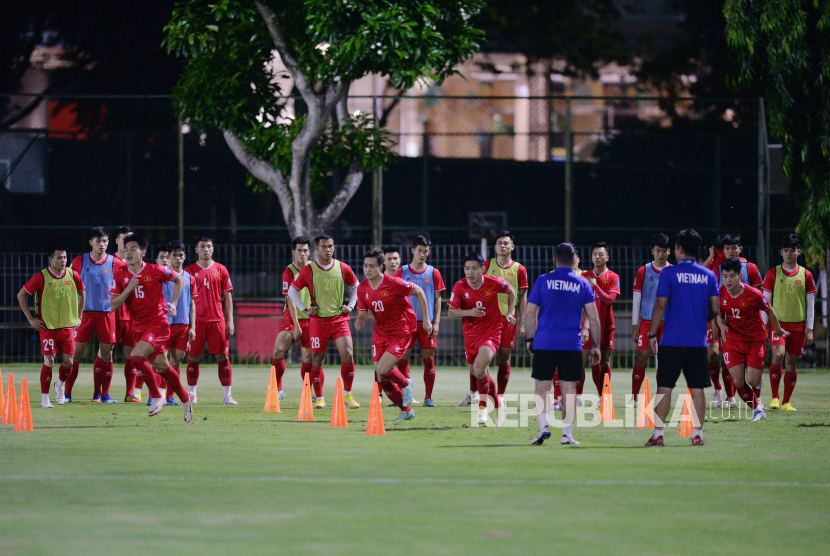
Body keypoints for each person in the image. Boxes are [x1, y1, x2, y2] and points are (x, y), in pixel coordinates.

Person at [646, 229, 718, 446]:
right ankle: (698, 434)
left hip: (671, 341)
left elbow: (660, 305)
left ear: (678, 249)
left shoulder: (669, 274)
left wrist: (651, 334)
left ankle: (658, 435)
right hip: (697, 342)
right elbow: (716, 308)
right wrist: (699, 319)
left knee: (664, 388)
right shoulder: (708, 275)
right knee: (697, 389)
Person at [110, 233, 193, 421]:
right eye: (127, 248)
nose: (129, 252)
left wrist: (173, 303)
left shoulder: (156, 270)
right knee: (163, 367)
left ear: (143, 252)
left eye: (133, 248)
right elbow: (114, 305)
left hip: (159, 324)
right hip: (140, 328)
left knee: (136, 356)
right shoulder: (121, 275)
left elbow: (179, 279)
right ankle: (186, 399)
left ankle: (157, 396)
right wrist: (129, 288)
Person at [524, 242, 601, 446]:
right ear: (575, 260)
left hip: (545, 342)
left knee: (542, 388)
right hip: (571, 345)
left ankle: (543, 428)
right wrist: (596, 346)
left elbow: (529, 313)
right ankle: (567, 435)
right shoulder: (582, 284)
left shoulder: (543, 281)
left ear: (554, 259)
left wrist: (529, 338)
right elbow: (594, 319)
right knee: (568, 389)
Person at [355, 248, 432, 421]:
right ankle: (406, 410)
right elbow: (363, 314)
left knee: (383, 369)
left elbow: (419, 292)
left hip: (401, 332)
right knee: (381, 377)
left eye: (372, 266)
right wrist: (359, 321)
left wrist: (426, 319)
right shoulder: (362, 288)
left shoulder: (394, 283)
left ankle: (405, 383)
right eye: (365, 266)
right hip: (380, 333)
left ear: (381, 267)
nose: (367, 270)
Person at [287, 234, 360, 409]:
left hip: (339, 320)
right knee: (317, 358)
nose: (328, 249)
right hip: (318, 322)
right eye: (324, 246)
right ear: (317, 249)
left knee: (348, 354)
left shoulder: (342, 267)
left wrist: (351, 305)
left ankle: (348, 395)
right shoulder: (309, 270)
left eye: (331, 246)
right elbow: (291, 291)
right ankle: (319, 397)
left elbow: (357, 285)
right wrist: (304, 309)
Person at [713, 257, 789, 421]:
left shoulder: (753, 294)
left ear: (740, 276)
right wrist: (722, 325)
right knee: (739, 381)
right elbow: (718, 314)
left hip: (755, 340)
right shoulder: (720, 294)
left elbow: (769, 311)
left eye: (732, 276)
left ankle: (758, 379)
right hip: (732, 340)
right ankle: (757, 410)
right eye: (725, 276)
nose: (728, 280)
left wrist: (778, 330)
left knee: (752, 381)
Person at [447, 252, 516, 425]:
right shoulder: (460, 287)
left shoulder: (493, 282)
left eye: (474, 268)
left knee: (478, 369)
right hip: (470, 336)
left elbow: (511, 290)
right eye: (467, 268)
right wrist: (468, 312)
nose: (470, 272)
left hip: (491, 332)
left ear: (482, 269)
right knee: (479, 372)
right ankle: (498, 403)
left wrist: (509, 312)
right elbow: (451, 312)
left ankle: (483, 409)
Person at [17, 245, 86, 408]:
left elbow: (82, 292)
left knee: (69, 363)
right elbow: (21, 295)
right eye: (59, 258)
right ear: (50, 259)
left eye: (65, 257)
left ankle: (59, 385)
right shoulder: (41, 277)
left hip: (68, 326)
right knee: (49, 360)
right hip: (47, 326)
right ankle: (44, 399)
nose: (63, 261)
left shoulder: (72, 275)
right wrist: (30, 319)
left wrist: (80, 315)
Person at [708, 234, 763, 408]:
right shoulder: (718, 269)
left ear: (740, 248)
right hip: (724, 321)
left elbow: (760, 297)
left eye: (734, 248)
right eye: (727, 248)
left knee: (751, 366)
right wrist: (716, 323)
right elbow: (713, 296)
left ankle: (757, 397)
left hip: (748, 324)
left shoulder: (750, 268)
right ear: (722, 250)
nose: (731, 251)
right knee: (722, 356)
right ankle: (728, 396)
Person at [763, 233, 816, 412]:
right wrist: (764, 325)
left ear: (798, 252)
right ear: (781, 252)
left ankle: (786, 402)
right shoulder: (773, 274)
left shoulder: (806, 275)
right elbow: (765, 302)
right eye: (786, 250)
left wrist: (810, 329)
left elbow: (810, 303)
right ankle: (775, 398)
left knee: (791, 363)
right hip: (779, 325)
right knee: (778, 355)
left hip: (799, 326)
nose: (789, 253)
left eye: (792, 250)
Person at [69, 227, 123, 403]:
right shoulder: (79, 262)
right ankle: (67, 393)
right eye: (99, 241)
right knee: (75, 355)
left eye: (105, 241)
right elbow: (68, 285)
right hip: (84, 314)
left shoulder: (116, 263)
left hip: (107, 314)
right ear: (91, 242)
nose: (102, 244)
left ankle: (104, 395)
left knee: (107, 354)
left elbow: (130, 277)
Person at [185, 236, 236, 405]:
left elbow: (227, 297)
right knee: (194, 357)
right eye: (202, 246)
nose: (206, 249)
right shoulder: (189, 271)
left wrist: (230, 321)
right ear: (196, 250)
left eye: (209, 246)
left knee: (223, 357)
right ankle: (192, 395)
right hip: (197, 321)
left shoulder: (221, 269)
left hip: (217, 320)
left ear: (213, 249)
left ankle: (227, 396)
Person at [396, 236, 445, 407]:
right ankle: (404, 395)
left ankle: (428, 398)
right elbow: (396, 296)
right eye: (419, 250)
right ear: (412, 251)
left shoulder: (433, 272)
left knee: (428, 360)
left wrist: (436, 322)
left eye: (426, 251)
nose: (423, 254)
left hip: (427, 323)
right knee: (402, 359)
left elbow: (438, 299)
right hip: (406, 323)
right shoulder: (402, 271)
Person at [271, 237, 320, 404]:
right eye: (299, 250)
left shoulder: (315, 269)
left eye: (306, 250)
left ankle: (308, 392)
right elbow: (290, 300)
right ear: (293, 252)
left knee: (308, 358)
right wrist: (296, 326)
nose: (303, 253)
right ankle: (278, 390)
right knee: (278, 349)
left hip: (312, 319)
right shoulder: (289, 271)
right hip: (292, 318)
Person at [483, 230, 529, 402]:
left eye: (506, 243)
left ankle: (499, 396)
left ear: (512, 247)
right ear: (495, 246)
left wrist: (523, 322)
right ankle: (481, 393)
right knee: (483, 357)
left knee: (504, 356)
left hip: (509, 319)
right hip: (488, 319)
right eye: (500, 243)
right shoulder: (487, 265)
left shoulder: (519, 269)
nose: (503, 246)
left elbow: (523, 296)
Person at [629, 233, 671, 404]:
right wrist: (634, 325)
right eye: (657, 251)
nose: (660, 254)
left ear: (669, 251)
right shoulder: (643, 271)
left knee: (665, 362)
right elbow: (637, 299)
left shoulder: (673, 271)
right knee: (642, 357)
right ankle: (634, 397)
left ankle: (661, 397)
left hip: (667, 323)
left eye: (664, 251)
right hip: (647, 322)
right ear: (652, 251)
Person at [157, 241, 197, 406]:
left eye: (181, 255)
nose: (178, 258)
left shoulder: (189, 277)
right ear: (169, 257)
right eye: (175, 255)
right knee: (162, 361)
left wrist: (193, 327)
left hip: (182, 325)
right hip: (164, 324)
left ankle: (170, 397)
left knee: (177, 361)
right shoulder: (162, 275)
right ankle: (158, 395)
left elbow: (192, 303)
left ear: (185, 257)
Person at [109, 225, 143, 403]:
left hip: (132, 316)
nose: (127, 243)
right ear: (117, 241)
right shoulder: (109, 261)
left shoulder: (138, 265)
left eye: (131, 240)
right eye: (124, 239)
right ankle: (100, 394)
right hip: (111, 313)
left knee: (131, 354)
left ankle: (130, 393)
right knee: (106, 352)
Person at [552, 254, 590, 411]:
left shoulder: (585, 278)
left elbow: (589, 307)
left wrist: (586, 327)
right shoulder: (553, 277)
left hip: (577, 325)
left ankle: (576, 397)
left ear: (578, 259)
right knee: (557, 364)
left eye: (573, 258)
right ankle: (557, 399)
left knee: (578, 364)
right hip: (558, 326)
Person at [582, 242, 620, 396]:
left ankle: (603, 396)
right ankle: (577, 397)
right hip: (587, 327)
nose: (597, 257)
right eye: (595, 254)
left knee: (603, 362)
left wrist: (595, 286)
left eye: (601, 254)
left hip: (606, 326)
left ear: (607, 257)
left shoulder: (613, 276)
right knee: (585, 362)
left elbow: (609, 300)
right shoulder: (584, 276)